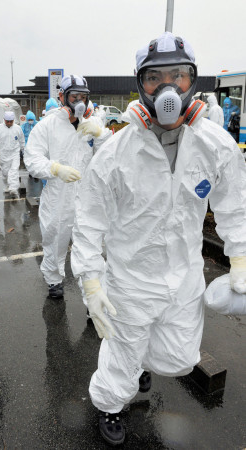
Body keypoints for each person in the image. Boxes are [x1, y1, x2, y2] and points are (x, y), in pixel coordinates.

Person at [71, 32, 246, 445]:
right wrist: (91, 282)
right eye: (155, 79)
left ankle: (140, 362)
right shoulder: (116, 152)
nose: (168, 89)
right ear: (141, 85)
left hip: (184, 277)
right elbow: (88, 222)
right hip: (131, 279)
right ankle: (112, 405)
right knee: (122, 355)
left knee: (181, 358)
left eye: (179, 76)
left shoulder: (214, 146)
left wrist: (240, 258)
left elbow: (234, 208)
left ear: (193, 81)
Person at [24, 74, 110, 299]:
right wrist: (55, 169)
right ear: (62, 96)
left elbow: (110, 156)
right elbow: (32, 159)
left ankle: (93, 297)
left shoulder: (93, 124)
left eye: (83, 96)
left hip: (88, 196)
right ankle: (53, 279)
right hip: (58, 197)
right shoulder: (47, 126)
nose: (79, 101)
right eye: (74, 96)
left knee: (91, 246)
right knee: (54, 239)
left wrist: (100, 136)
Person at [0, 111, 25, 199]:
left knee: (14, 171)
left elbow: (21, 140)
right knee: (5, 173)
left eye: (11, 121)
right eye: (7, 121)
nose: (9, 123)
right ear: (4, 120)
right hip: (4, 154)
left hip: (14, 153)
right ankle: (6, 185)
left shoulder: (17, 128)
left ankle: (13, 188)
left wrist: (23, 149)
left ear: (13, 120)